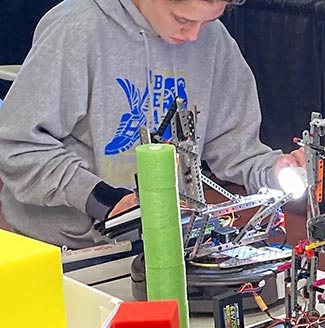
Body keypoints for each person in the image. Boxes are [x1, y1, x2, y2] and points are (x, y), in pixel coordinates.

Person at [0, 0, 304, 250]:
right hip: (64, 251)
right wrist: (103, 200)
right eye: (182, 19)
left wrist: (275, 168)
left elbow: (238, 151)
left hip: (169, 245)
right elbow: (17, 145)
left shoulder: (215, 42)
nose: (194, 36)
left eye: (208, 22)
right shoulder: (78, 29)